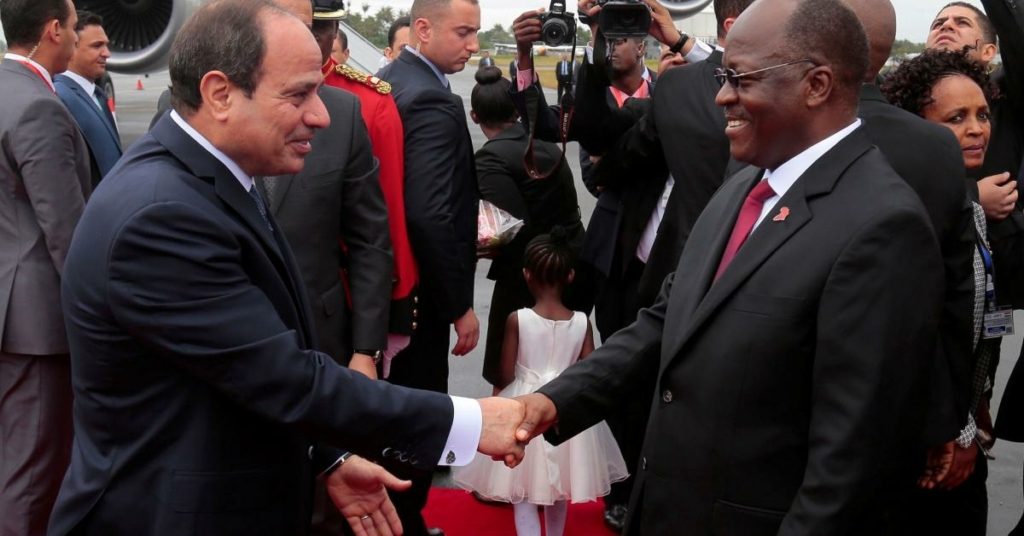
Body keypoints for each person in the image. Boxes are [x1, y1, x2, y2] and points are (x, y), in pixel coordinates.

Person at [46, 2, 525, 535]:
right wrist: (468, 421)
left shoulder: (209, 178)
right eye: (298, 95)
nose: (321, 116)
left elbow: (231, 375)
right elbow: (281, 376)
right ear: (219, 94)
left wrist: (327, 457)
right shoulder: (161, 217)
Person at [515, 0, 946, 533]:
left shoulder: (883, 227)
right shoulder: (743, 182)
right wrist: (546, 404)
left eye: (741, 79)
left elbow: (851, 467)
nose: (722, 97)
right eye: (724, 77)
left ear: (816, 84)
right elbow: (666, 320)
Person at [882, 47, 999, 536]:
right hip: (928, 444)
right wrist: (958, 429)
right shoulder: (913, 211)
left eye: (982, 115)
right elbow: (925, 335)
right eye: (956, 118)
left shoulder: (971, 208)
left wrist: (979, 400)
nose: (976, 129)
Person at [376, 1, 483, 533]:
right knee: (417, 421)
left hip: (381, 286)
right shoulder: (431, 99)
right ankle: (406, 522)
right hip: (418, 298)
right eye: (463, 33)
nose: (474, 46)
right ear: (422, 28)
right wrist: (460, 304)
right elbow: (429, 214)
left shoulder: (387, 81)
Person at [454, 232, 627, 536]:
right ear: (570, 276)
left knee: (523, 491)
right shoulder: (581, 322)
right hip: (564, 408)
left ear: (526, 274)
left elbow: (505, 373)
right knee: (559, 492)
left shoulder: (518, 320)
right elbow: (589, 369)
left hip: (525, 408)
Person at [0, 1, 90, 534]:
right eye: (75, 28)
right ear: (53, 30)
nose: (78, 38)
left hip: (10, 313)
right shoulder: (38, 106)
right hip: (36, 326)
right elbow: (67, 233)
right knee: (32, 475)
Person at [315, 0, 420, 378]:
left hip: (337, 305)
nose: (307, 37)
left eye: (319, 27)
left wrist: (390, 311)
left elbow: (385, 218)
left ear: (335, 32)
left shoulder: (368, 103)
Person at [468, 66, 585, 392]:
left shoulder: (491, 158)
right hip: (572, 265)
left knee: (507, 377)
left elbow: (508, 226)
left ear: (475, 116)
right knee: (568, 371)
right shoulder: (544, 144)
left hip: (529, 277)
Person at [54, 10, 122, 186]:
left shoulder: (96, 94)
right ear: (72, 47)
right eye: (97, 46)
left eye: (106, 45)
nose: (107, 53)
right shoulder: (60, 97)